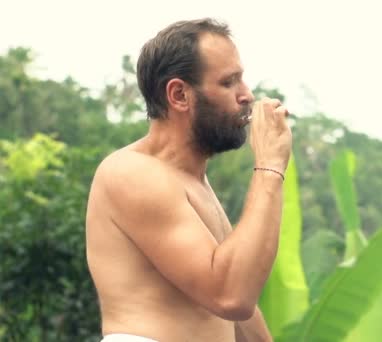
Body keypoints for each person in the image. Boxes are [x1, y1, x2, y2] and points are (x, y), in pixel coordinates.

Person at [85, 18, 291, 342]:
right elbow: (230, 295)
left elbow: (242, 313)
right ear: (179, 94)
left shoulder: (193, 183)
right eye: (229, 82)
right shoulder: (132, 173)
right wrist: (269, 166)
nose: (247, 96)